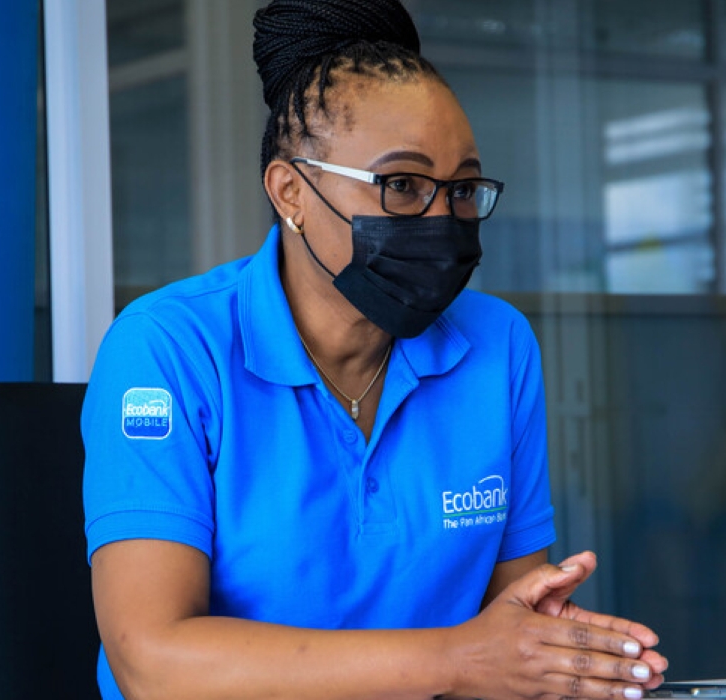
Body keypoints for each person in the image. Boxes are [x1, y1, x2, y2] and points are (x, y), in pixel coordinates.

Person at [82, 1, 669, 698]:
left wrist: (552, 656)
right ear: (291, 192)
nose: (441, 219)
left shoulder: (498, 345)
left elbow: (510, 630)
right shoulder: (169, 347)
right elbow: (152, 664)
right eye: (402, 186)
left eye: (462, 190)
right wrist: (459, 661)